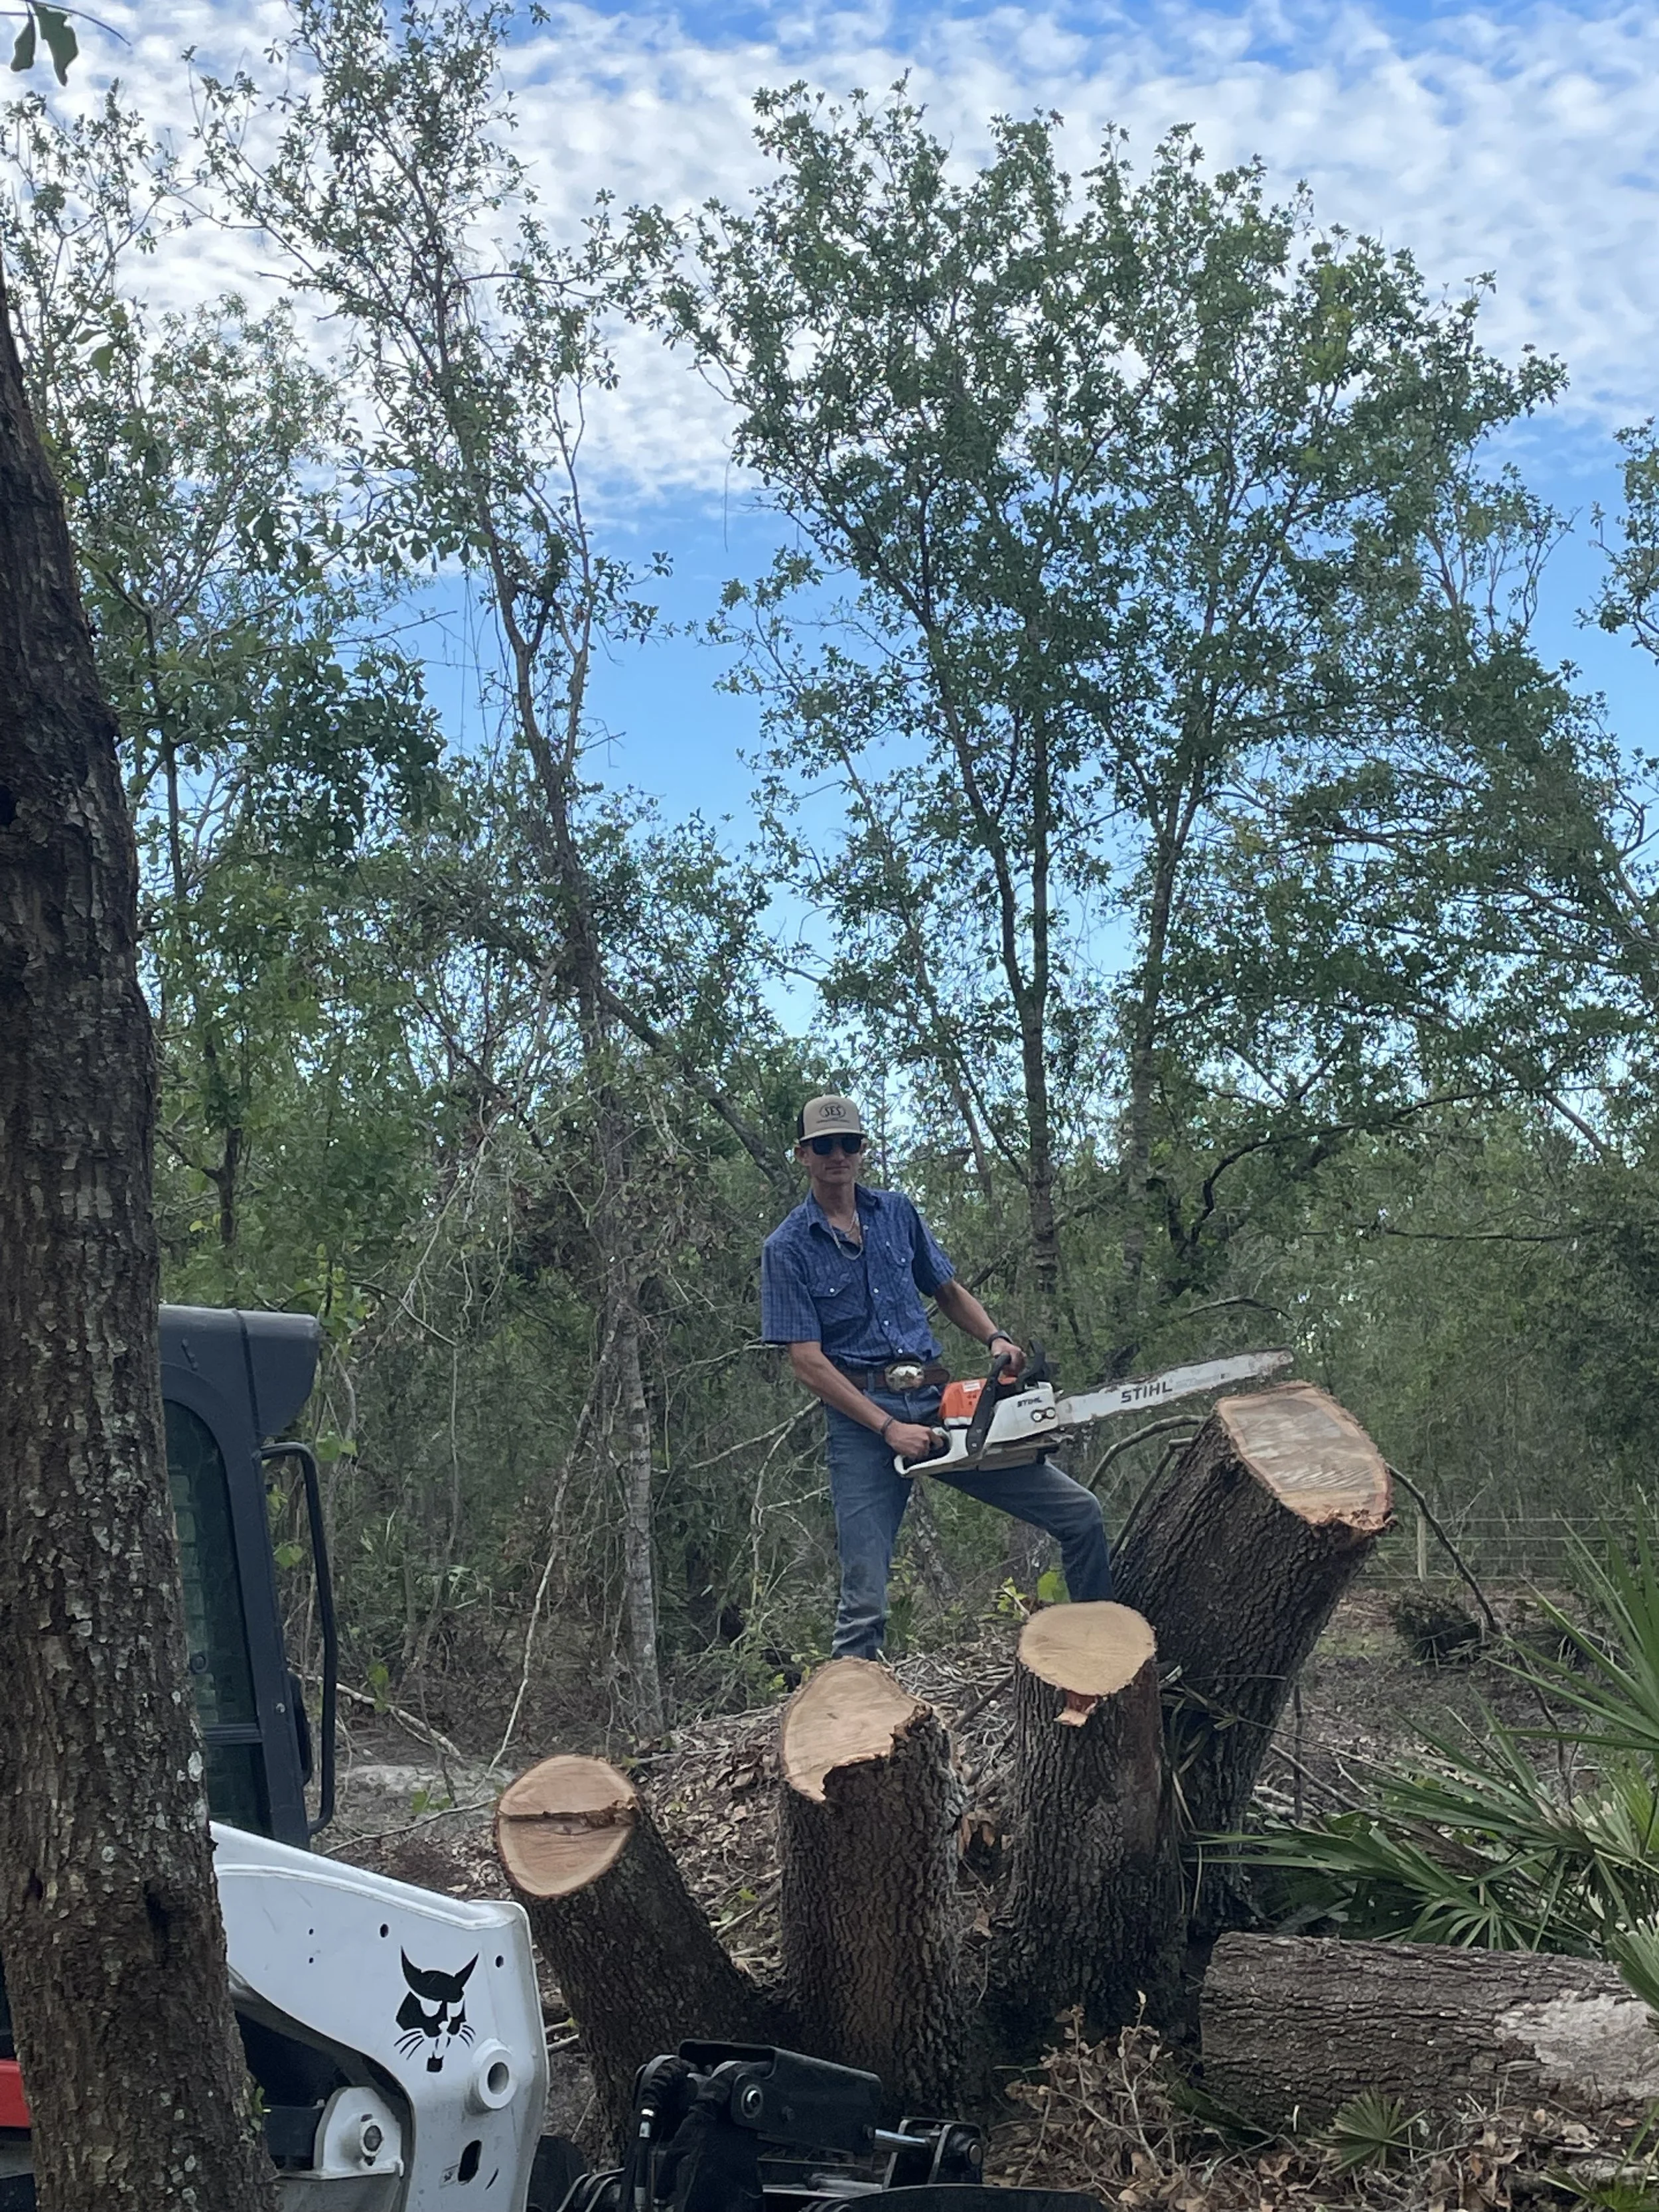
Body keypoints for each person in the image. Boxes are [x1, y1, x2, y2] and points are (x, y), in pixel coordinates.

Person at [760, 1094, 1112, 1659]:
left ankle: (1106, 1651)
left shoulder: (896, 1213)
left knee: (1080, 1515)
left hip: (939, 1401)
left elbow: (945, 1288)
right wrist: (885, 1429)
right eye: (824, 1145)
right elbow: (808, 1360)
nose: (838, 1155)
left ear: (862, 1150)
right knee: (865, 1606)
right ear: (803, 1153)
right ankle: (854, 1728)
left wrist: (996, 1338)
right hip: (863, 1420)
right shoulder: (787, 1248)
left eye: (848, 1143)